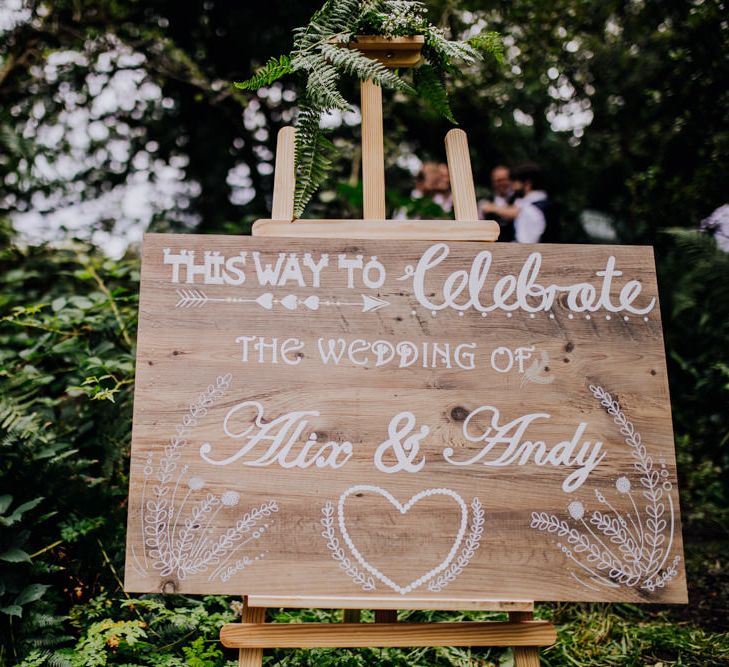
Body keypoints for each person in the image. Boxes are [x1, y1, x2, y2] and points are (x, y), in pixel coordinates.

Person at [482, 162, 557, 243]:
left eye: (515, 182)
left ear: (527, 183)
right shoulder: (542, 203)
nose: (513, 186)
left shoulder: (530, 209)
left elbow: (525, 244)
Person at [481, 165, 516, 241]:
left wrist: (493, 208)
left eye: (504, 179)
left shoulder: (518, 197)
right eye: (498, 180)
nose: (502, 183)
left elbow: (516, 213)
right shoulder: (486, 200)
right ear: (493, 182)